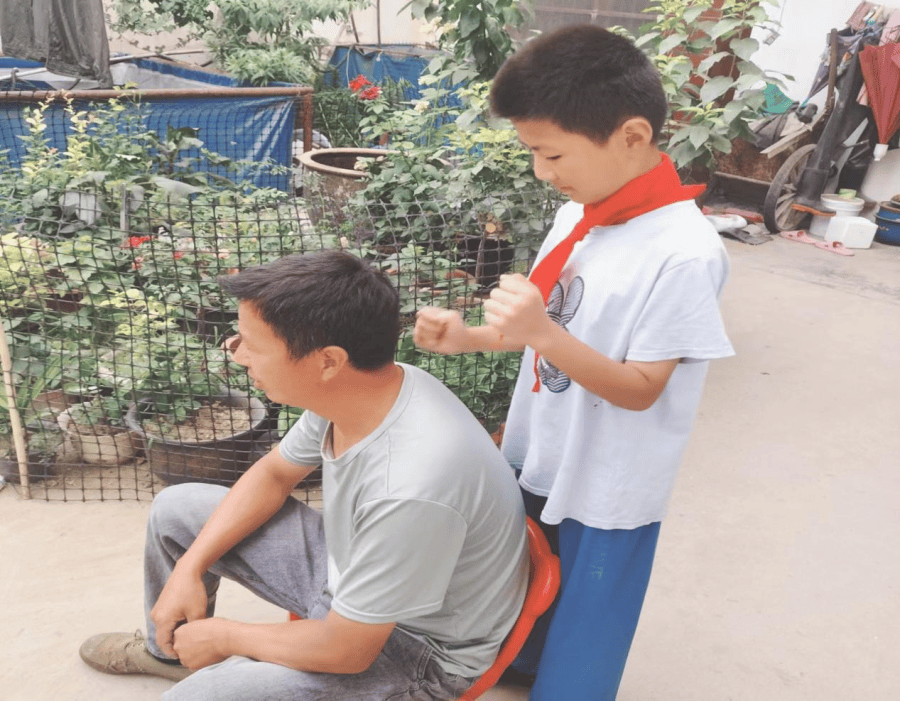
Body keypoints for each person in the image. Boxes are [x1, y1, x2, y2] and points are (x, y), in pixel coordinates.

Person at [414, 24, 734, 701]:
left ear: (632, 136)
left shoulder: (683, 252)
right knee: (520, 581)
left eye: (551, 152)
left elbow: (644, 387)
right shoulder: (580, 216)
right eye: (533, 151)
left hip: (609, 482)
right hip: (542, 449)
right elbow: (548, 327)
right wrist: (471, 336)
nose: (541, 170)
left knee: (587, 625)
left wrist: (542, 335)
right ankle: (523, 666)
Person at [79, 250, 529, 700]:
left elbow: (348, 650)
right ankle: (169, 655)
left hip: (415, 651)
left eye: (253, 344)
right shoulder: (366, 391)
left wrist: (225, 637)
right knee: (177, 510)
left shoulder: (412, 484)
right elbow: (274, 474)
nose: (239, 357)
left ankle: (197, 667)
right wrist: (188, 569)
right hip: (355, 582)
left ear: (328, 361)